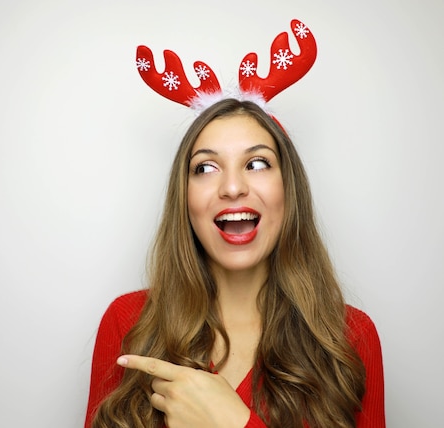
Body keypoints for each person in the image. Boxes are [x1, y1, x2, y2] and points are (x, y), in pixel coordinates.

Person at [83, 98, 385, 427]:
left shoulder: (350, 337)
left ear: (288, 189)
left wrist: (235, 422)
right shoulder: (128, 324)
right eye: (206, 168)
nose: (232, 188)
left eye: (256, 164)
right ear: (184, 198)